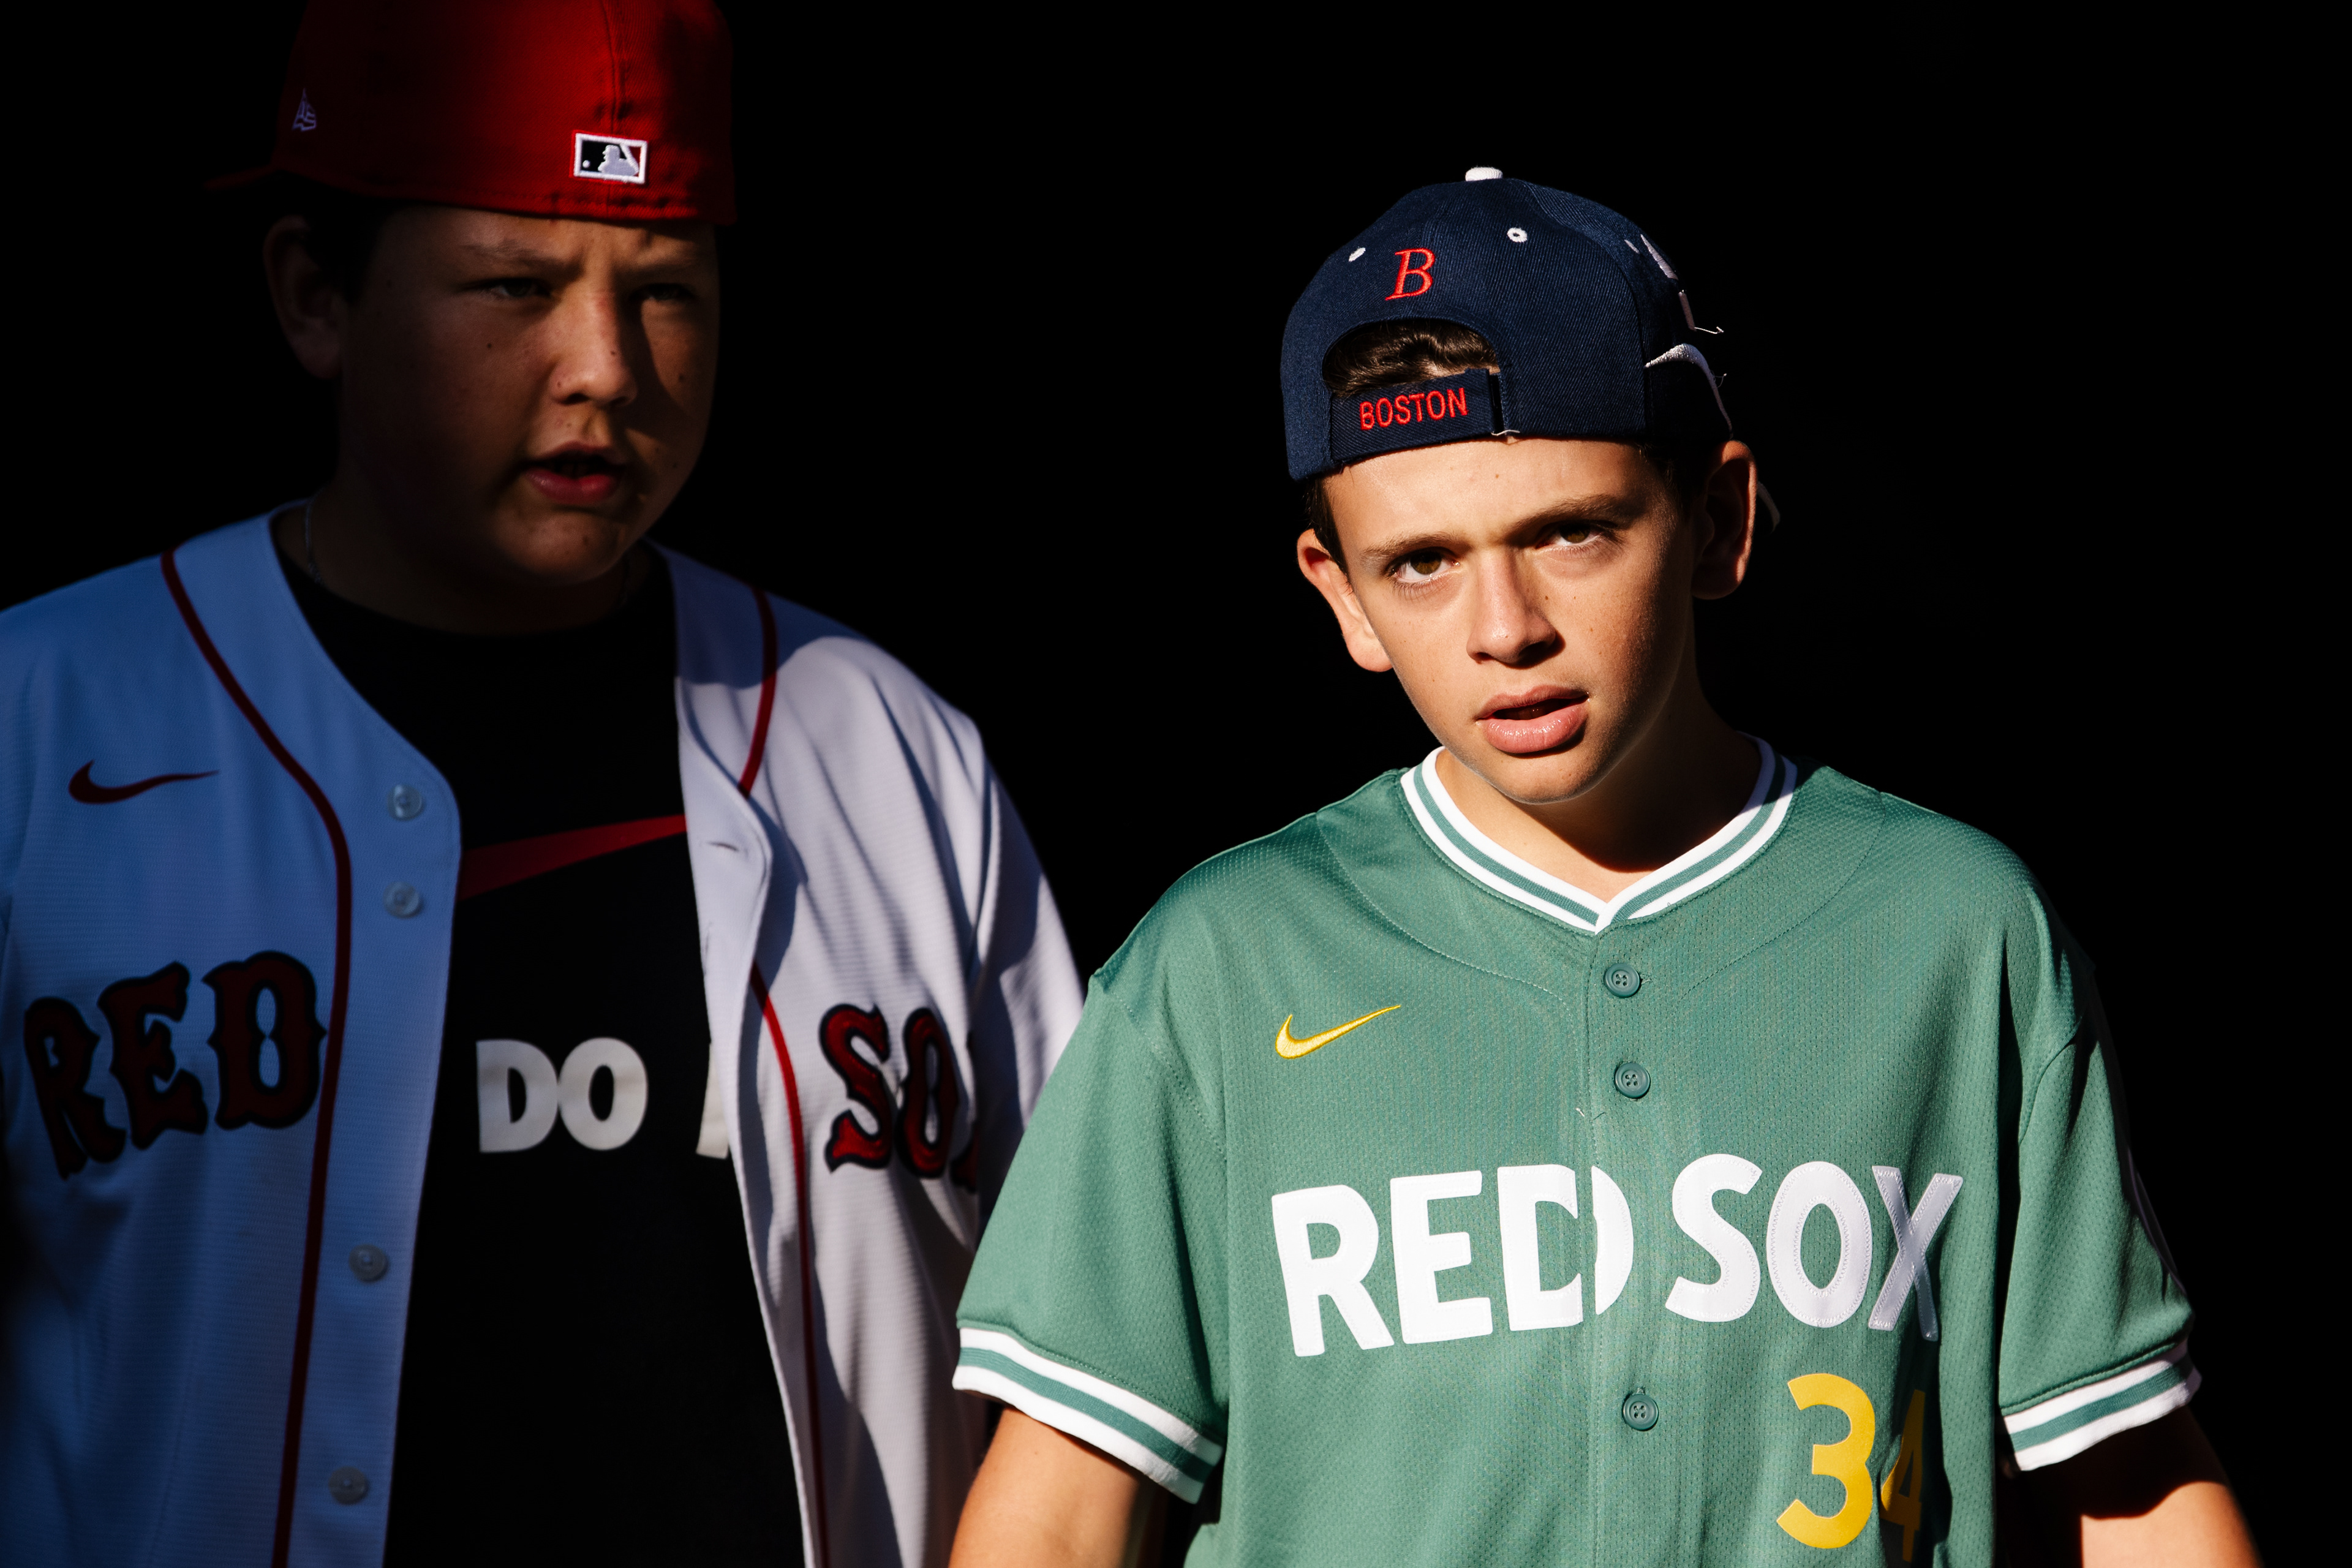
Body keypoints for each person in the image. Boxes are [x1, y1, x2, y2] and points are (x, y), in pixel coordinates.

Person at [946, 172, 2260, 1566]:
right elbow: (1062, 1514)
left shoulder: (1957, 929)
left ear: (1717, 520)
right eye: (1422, 562)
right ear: (1340, 594)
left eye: (1569, 532)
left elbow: (2130, 1484)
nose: (1503, 626)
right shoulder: (1221, 964)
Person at [0, 4, 1080, 1566]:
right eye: (515, 287)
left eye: (666, 294)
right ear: (316, 295)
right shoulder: (44, 718)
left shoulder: (885, 745)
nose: (605, 370)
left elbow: (1096, 1358)